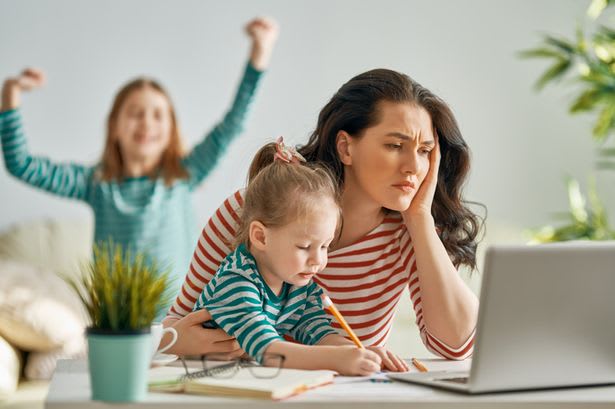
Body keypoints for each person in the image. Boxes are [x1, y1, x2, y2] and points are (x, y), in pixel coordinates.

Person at [163, 68, 482, 364]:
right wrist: (178, 342)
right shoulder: (250, 211)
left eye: (425, 151)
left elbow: (456, 346)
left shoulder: (408, 231)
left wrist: (421, 218)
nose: (414, 166)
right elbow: (175, 326)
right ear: (346, 147)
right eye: (395, 145)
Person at [0, 18, 279, 311]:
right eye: (135, 113)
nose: (147, 122)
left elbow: (233, 124)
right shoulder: (97, 184)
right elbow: (21, 165)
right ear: (115, 128)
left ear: (171, 129)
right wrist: (10, 96)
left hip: (181, 318)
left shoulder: (183, 175)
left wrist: (260, 53)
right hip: (119, 322)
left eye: (158, 115)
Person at [193, 138, 407, 375]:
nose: (318, 261)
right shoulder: (236, 283)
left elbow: (319, 334)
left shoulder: (296, 285)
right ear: (261, 237)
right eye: (305, 246)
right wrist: (337, 359)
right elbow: (268, 351)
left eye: (325, 246)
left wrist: (361, 352)